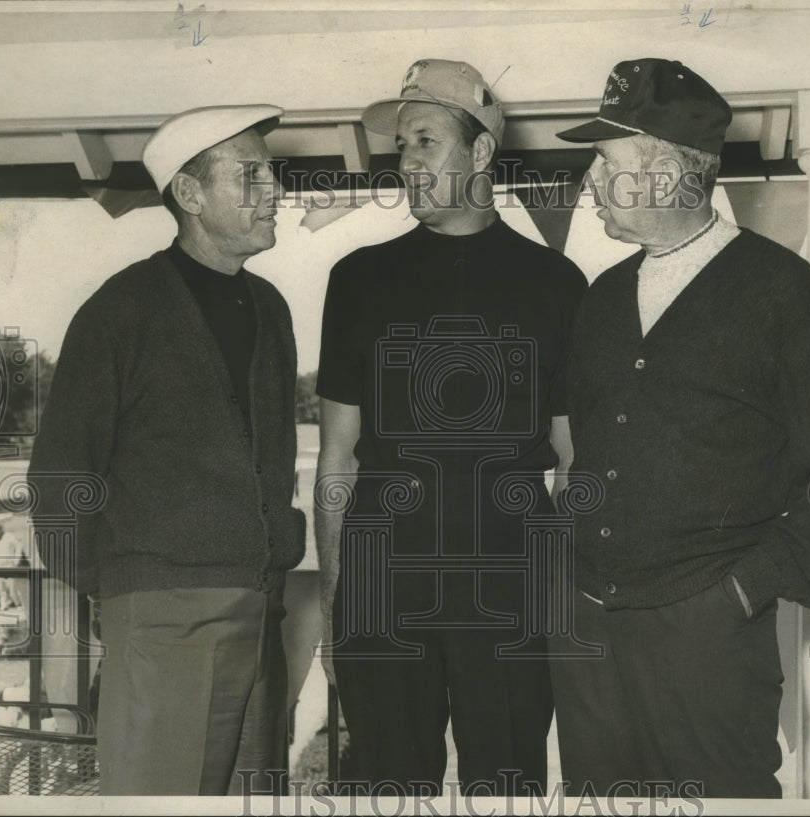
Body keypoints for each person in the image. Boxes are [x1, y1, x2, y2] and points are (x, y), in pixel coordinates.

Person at [548, 58, 810, 798]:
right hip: (589, 636)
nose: (589, 185)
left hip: (706, 638)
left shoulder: (783, 293)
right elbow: (589, 451)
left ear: (669, 171)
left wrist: (746, 587)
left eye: (606, 163)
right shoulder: (601, 299)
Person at [315, 58, 587, 795]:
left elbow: (575, 457)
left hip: (509, 591)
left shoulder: (556, 283)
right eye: (401, 146)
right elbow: (338, 457)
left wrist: (554, 595)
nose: (406, 162)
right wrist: (339, 601)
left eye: (425, 141)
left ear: (482, 153)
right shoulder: (357, 279)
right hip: (381, 590)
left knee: (507, 788)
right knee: (383, 790)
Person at [27, 104, 306, 796]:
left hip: (261, 607)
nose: (274, 189)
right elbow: (60, 478)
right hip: (161, 616)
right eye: (251, 176)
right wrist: (127, 589)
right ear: (189, 195)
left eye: (271, 173)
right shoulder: (121, 310)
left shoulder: (270, 308)